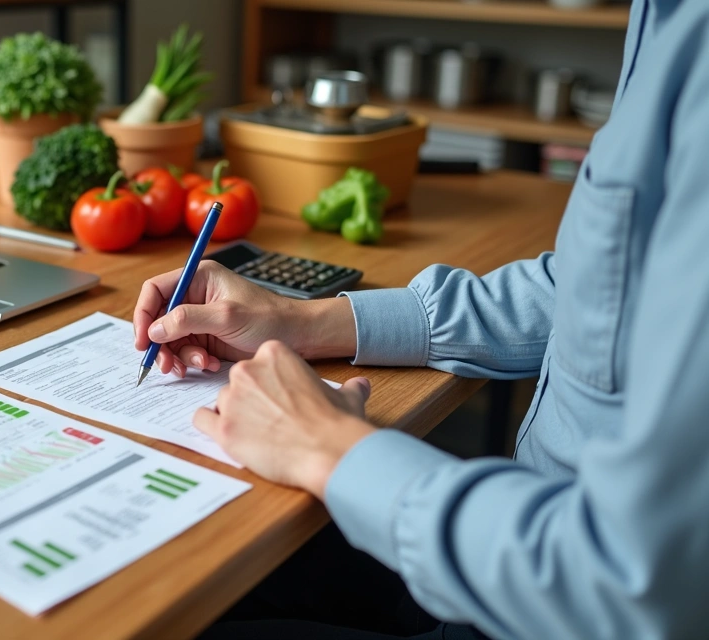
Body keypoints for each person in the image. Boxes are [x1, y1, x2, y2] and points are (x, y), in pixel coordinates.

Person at [132, 1, 709, 638]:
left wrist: (327, 447)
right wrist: (306, 322)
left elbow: (631, 584)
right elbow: (586, 288)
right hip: (505, 542)